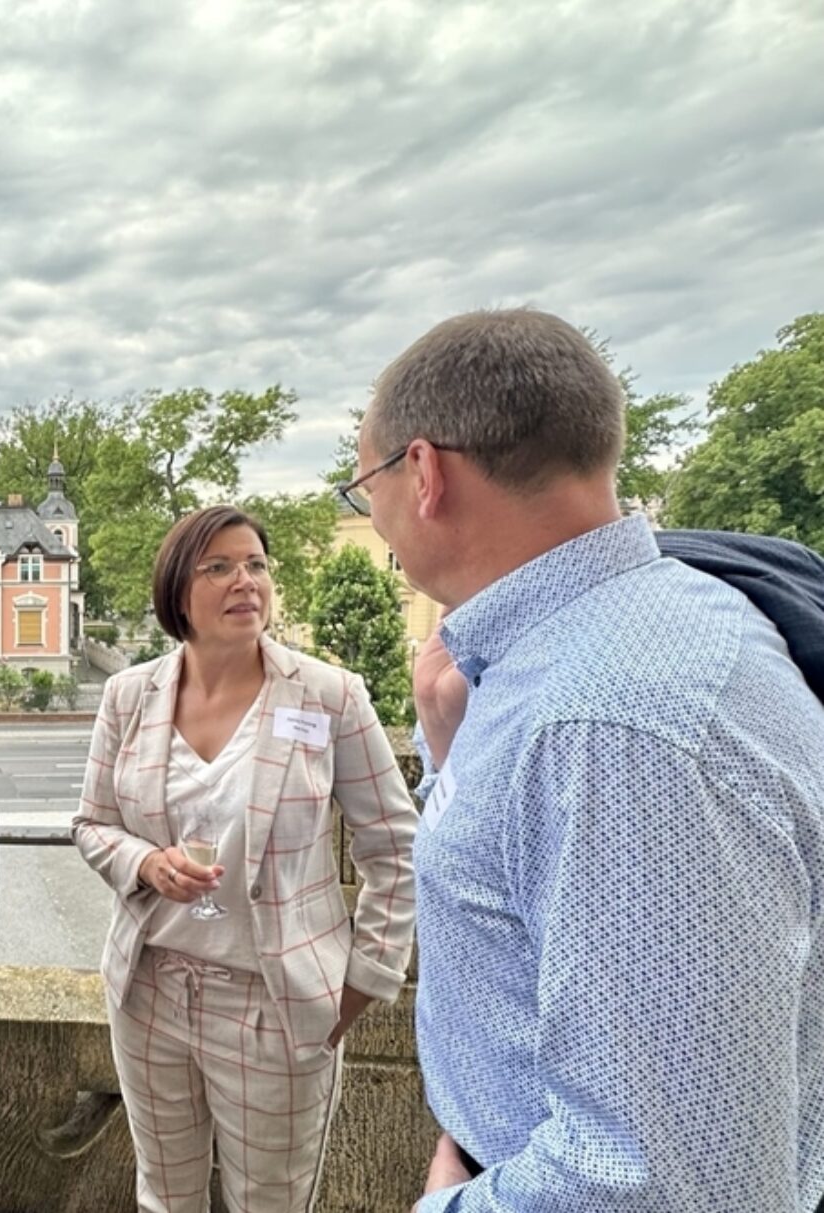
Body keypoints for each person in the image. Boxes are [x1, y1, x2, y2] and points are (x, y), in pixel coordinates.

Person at [339, 309, 824, 1213]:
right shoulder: (656, 627)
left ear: (424, 472)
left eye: (365, 485)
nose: (377, 518)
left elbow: (673, 1182)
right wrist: (450, 754)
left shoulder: (608, 726)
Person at [72, 505, 417, 1213]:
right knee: (165, 1198)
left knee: (271, 1202)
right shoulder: (129, 695)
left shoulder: (329, 696)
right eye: (220, 566)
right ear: (177, 589)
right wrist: (144, 864)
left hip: (275, 1003)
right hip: (151, 991)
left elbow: (395, 846)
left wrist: (361, 983)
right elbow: (93, 824)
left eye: (257, 564)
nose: (246, 581)